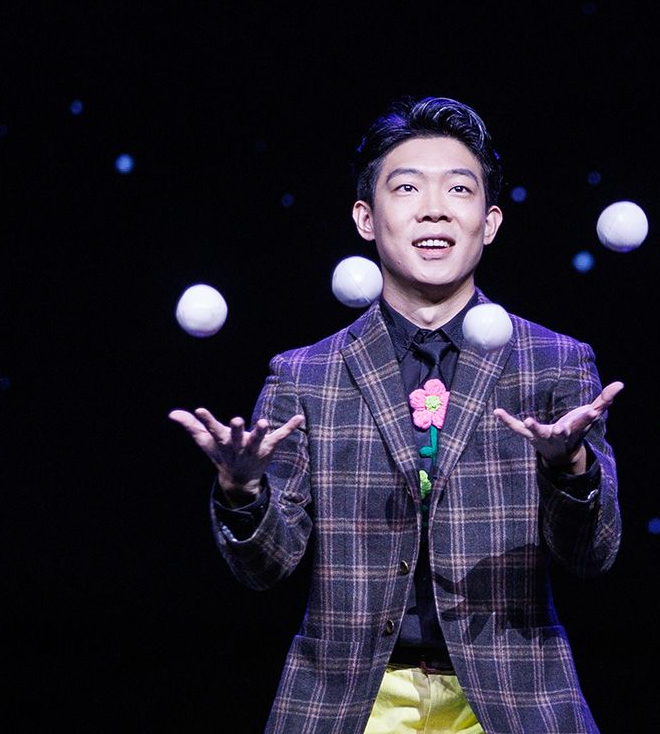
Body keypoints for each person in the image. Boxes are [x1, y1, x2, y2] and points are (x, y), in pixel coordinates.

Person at [169, 96, 623, 733]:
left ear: (490, 222)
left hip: (511, 699)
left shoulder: (554, 363)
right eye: (407, 187)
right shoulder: (305, 375)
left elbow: (593, 556)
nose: (435, 208)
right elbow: (265, 567)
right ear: (366, 217)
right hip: (351, 701)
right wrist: (241, 491)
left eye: (459, 189)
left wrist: (569, 468)